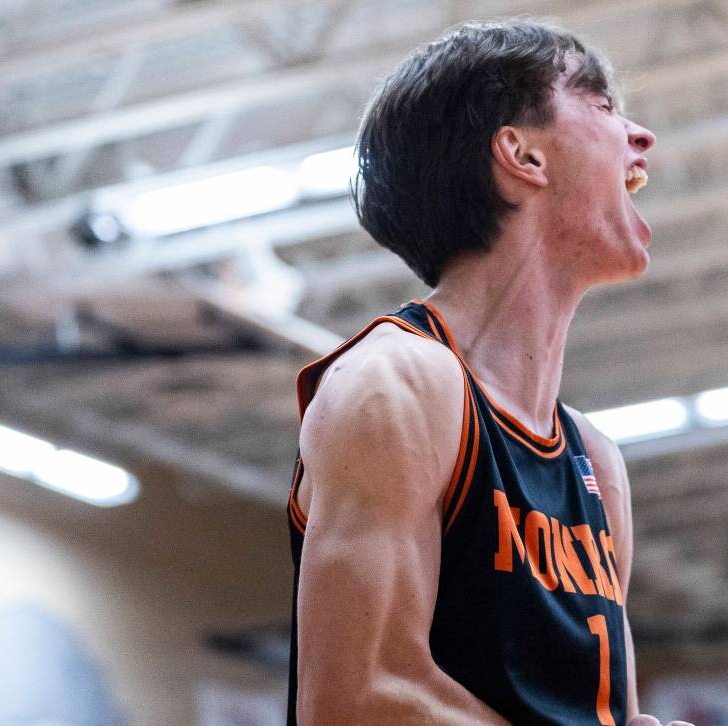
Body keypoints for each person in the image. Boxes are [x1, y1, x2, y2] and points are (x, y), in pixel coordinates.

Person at [285, 19, 691, 726]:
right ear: (522, 153)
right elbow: (353, 699)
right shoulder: (397, 384)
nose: (640, 137)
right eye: (600, 104)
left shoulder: (595, 461)